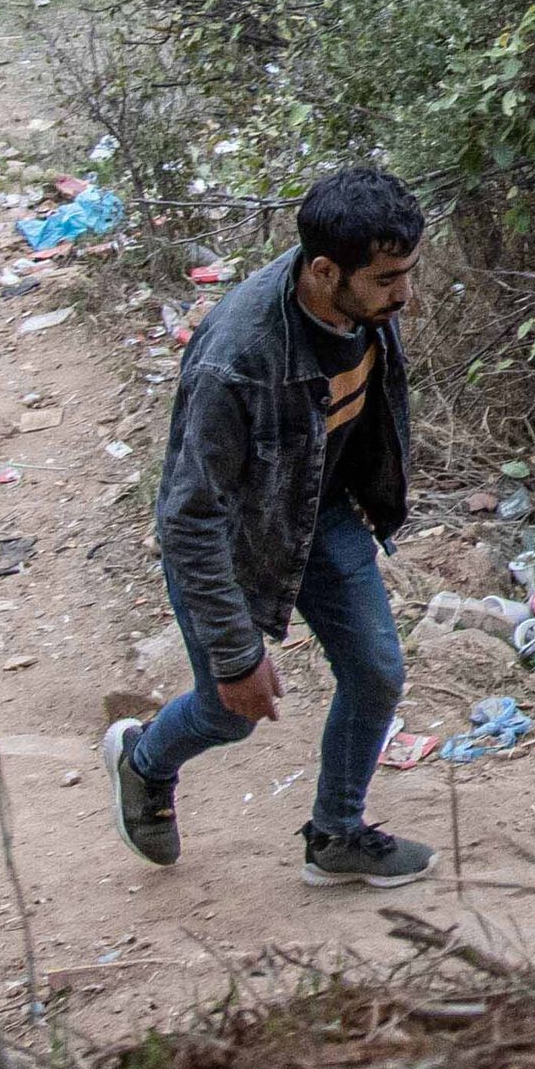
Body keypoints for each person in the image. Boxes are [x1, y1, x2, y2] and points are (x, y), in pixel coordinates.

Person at [108, 167, 436, 889]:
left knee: (377, 673)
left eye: (407, 272)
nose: (403, 293)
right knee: (232, 712)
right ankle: (143, 759)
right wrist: (235, 656)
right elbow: (190, 517)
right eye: (387, 278)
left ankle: (336, 835)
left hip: (319, 511)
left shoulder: (365, 304)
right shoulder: (238, 357)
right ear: (324, 271)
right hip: (233, 538)